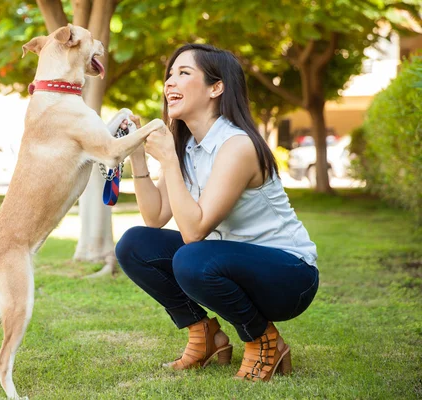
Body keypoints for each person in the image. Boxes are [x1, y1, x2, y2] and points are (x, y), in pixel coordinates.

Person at [115, 43, 319, 382]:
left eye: (183, 73)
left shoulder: (237, 146)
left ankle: (263, 340)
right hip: (226, 262)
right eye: (169, 75)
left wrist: (167, 160)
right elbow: (155, 218)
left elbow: (193, 232)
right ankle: (205, 335)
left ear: (216, 87)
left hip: (289, 275)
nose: (169, 83)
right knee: (135, 244)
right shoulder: (187, 146)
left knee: (192, 257)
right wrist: (137, 154)